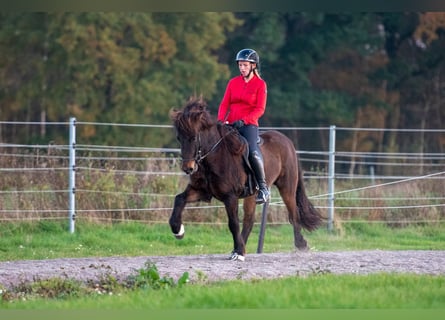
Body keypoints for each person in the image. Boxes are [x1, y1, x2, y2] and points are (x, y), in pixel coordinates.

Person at [217, 48, 270, 204]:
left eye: (245, 65)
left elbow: (260, 109)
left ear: (253, 66)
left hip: (248, 125)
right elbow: (224, 104)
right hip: (230, 124)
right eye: (240, 65)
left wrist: (245, 120)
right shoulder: (233, 82)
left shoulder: (260, 84)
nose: (242, 68)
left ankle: (263, 187)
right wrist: (221, 120)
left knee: (252, 150)